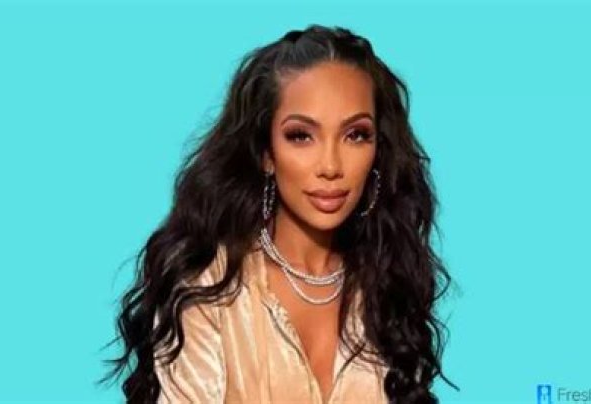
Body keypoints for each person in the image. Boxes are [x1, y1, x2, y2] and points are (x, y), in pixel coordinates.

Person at [101, 24, 456, 403]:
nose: (331, 166)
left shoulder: (389, 284)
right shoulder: (207, 287)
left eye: (355, 135)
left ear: (377, 152)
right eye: (301, 135)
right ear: (266, 153)